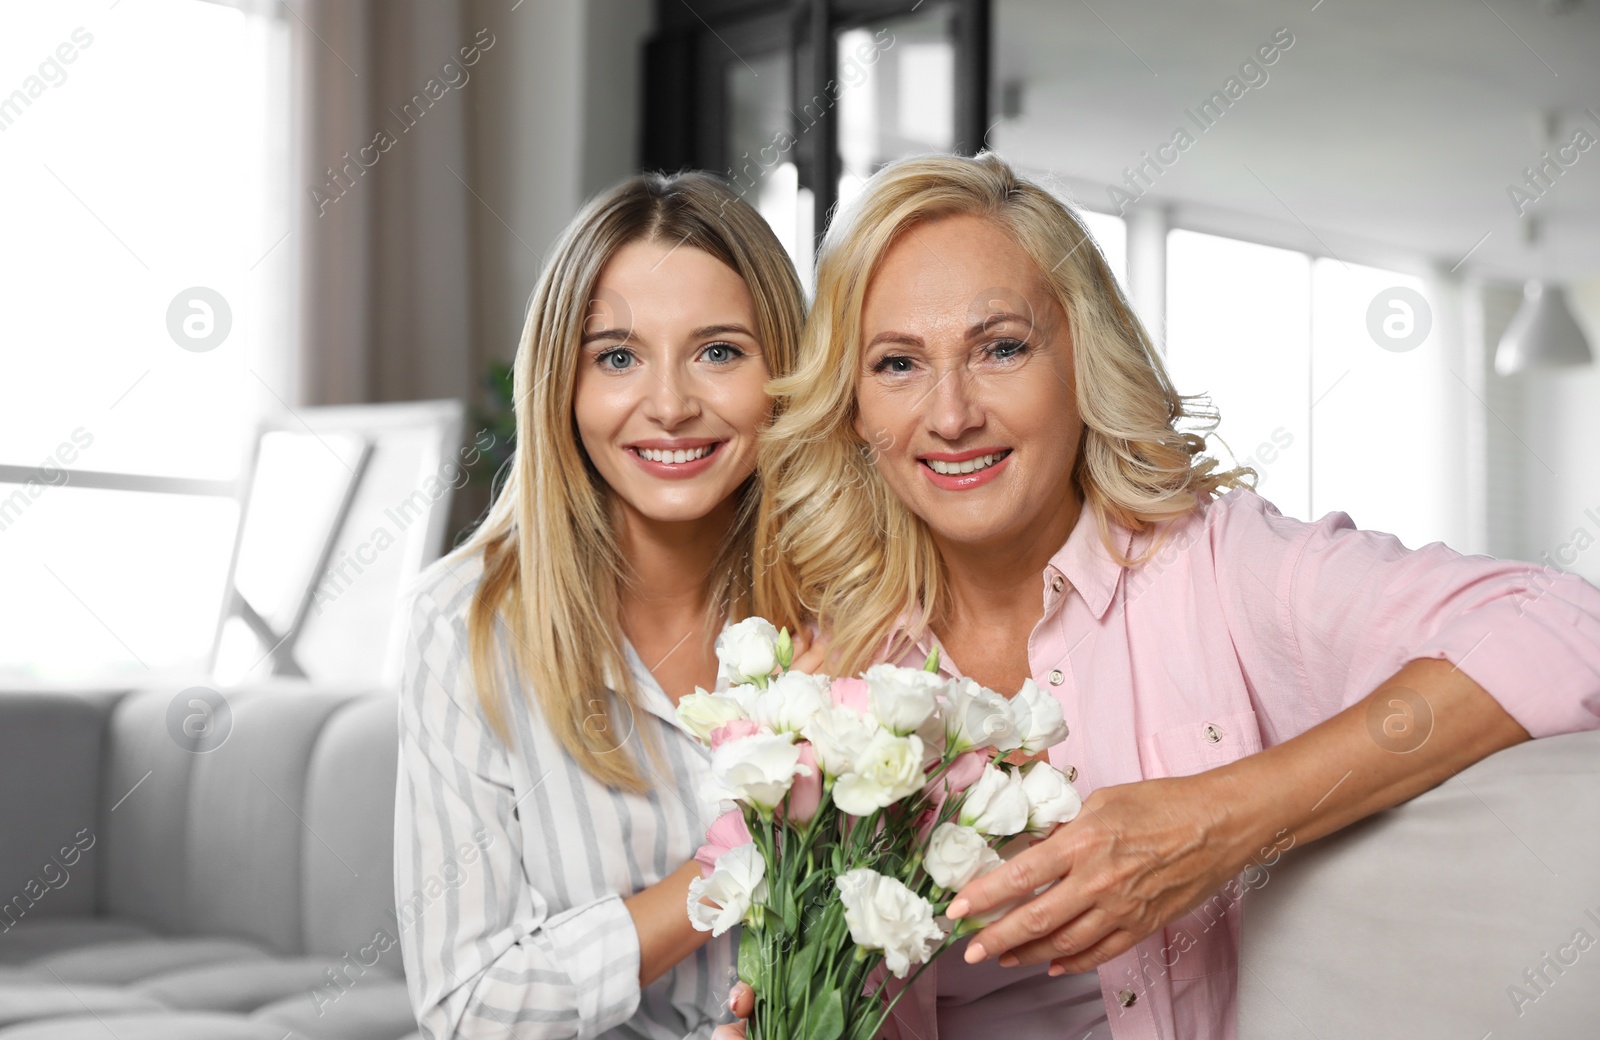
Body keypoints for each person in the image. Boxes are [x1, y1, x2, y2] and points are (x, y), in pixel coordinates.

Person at [722, 152, 1600, 1039]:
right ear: (856, 406)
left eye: (1001, 348)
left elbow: (1567, 626)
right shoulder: (839, 671)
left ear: (1081, 360)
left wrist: (1217, 821)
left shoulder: (1220, 570)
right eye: (899, 363)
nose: (951, 415)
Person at [393, 171, 812, 1039]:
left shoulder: (855, 605)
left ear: (786, 372)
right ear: (563, 385)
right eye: (617, 356)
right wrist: (734, 863)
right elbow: (470, 1008)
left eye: (720, 351)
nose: (668, 405)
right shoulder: (465, 625)